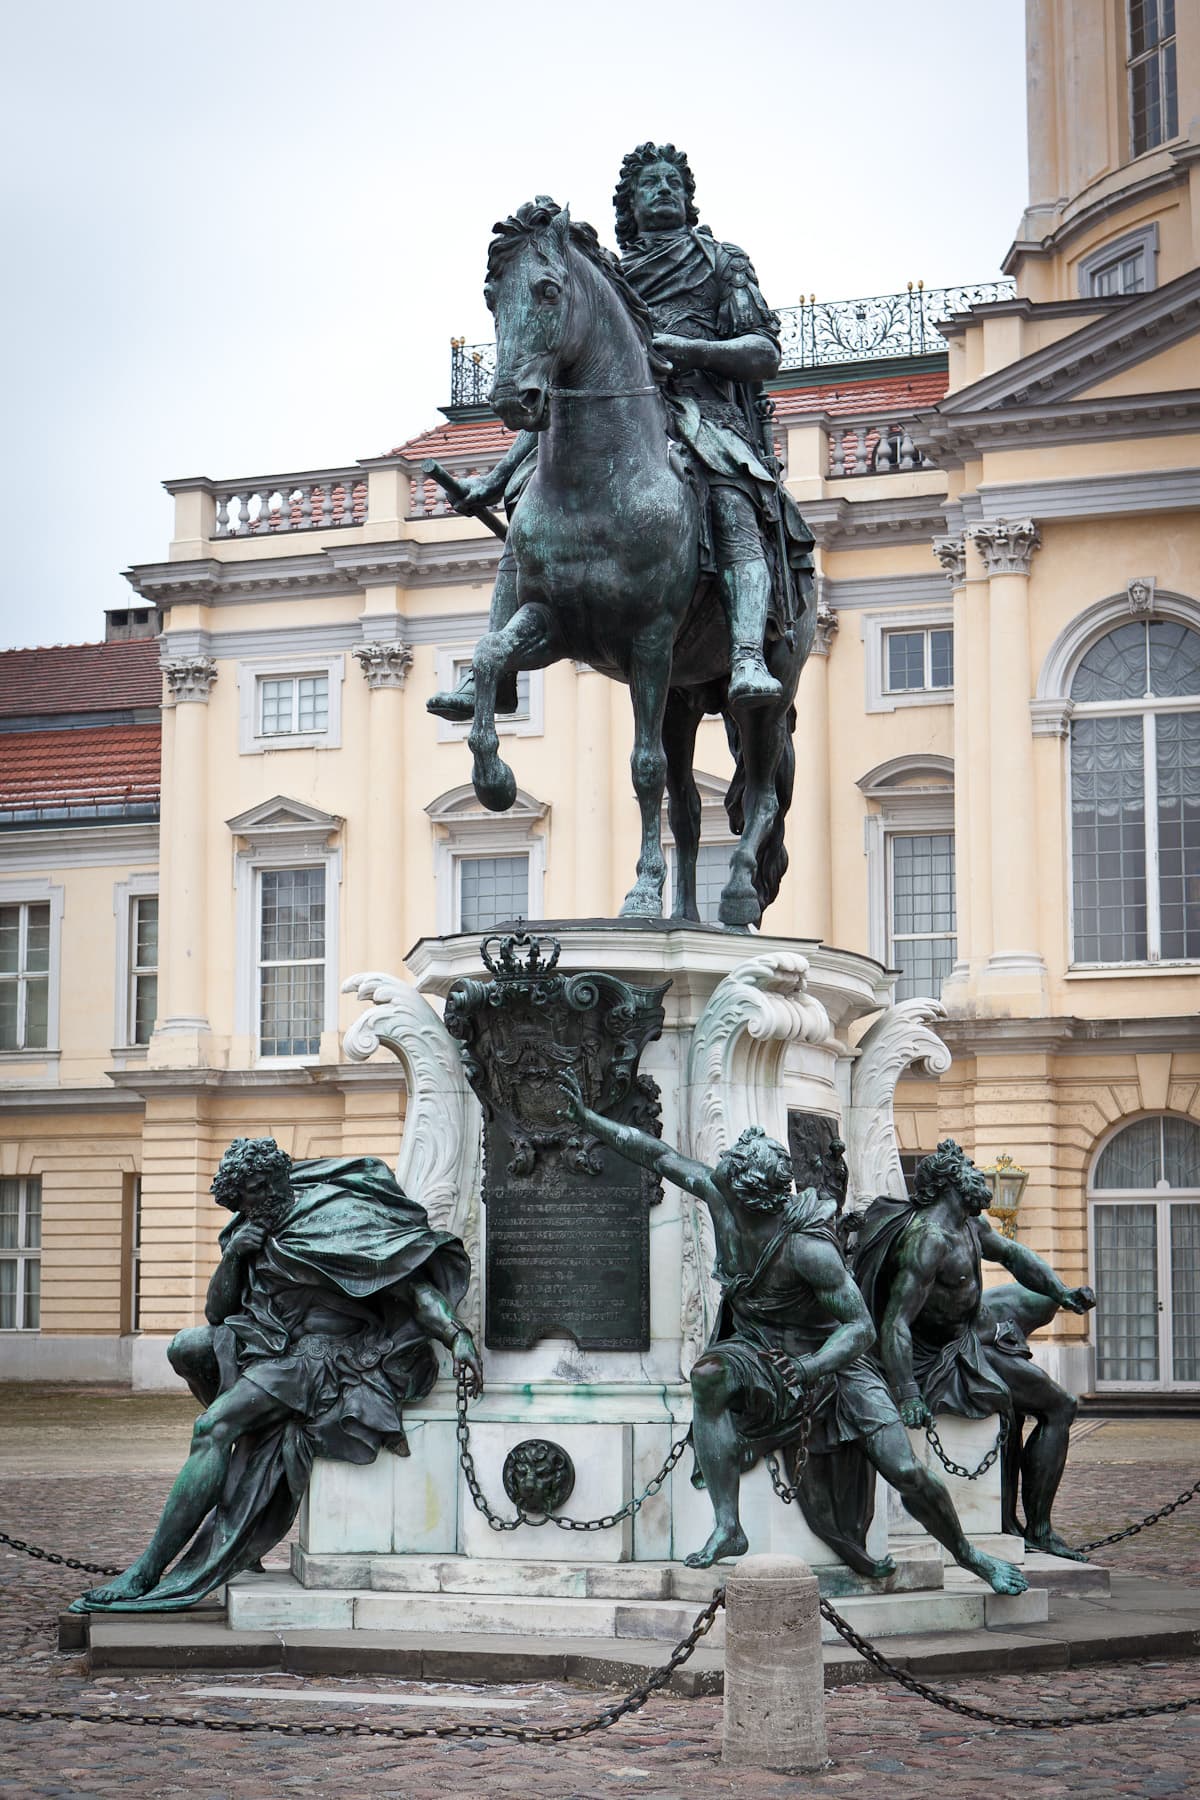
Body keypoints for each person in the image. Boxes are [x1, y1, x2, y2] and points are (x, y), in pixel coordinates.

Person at [558, 1073, 1026, 1594]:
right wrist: (586, 1120)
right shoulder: (722, 1193)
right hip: (757, 1345)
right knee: (707, 1376)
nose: (726, 1197)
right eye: (726, 1188)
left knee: (904, 1469)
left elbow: (861, 1329)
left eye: (738, 1195)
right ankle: (728, 1526)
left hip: (831, 1358)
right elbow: (657, 1155)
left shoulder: (808, 1248)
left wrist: (808, 1368)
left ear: (763, 1198)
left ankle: (969, 1554)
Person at [427, 141, 813, 722]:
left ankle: (748, 653)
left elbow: (763, 351)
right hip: (616, 415)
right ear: (629, 204)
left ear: (687, 197)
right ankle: (493, 670)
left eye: (672, 183)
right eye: (647, 185)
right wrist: (498, 474)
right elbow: (560, 384)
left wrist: (695, 349)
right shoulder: (608, 275)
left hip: (704, 413)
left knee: (732, 498)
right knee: (530, 503)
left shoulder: (720, 263)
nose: (662, 191)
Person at [74, 1138, 481, 1613]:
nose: (247, 1208)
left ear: (271, 1181)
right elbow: (217, 1313)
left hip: (322, 1355)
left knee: (213, 1427)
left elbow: (414, 1292)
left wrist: (458, 1336)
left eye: (251, 1194)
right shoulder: (252, 1227)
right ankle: (246, 1434)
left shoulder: (335, 1217)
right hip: (266, 1340)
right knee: (186, 1347)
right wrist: (234, 1257)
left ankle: (146, 1570)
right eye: (239, 1201)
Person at [854, 1139, 1095, 1560]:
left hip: (966, 1336)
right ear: (950, 1180)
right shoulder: (930, 1240)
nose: (977, 1173)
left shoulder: (969, 1225)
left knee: (1044, 1356)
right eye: (967, 1167)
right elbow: (895, 1322)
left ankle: (1030, 1526)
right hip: (936, 1356)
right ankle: (1034, 1528)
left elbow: (1015, 1256)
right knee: (1060, 1406)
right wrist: (908, 1392)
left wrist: (1062, 1291)